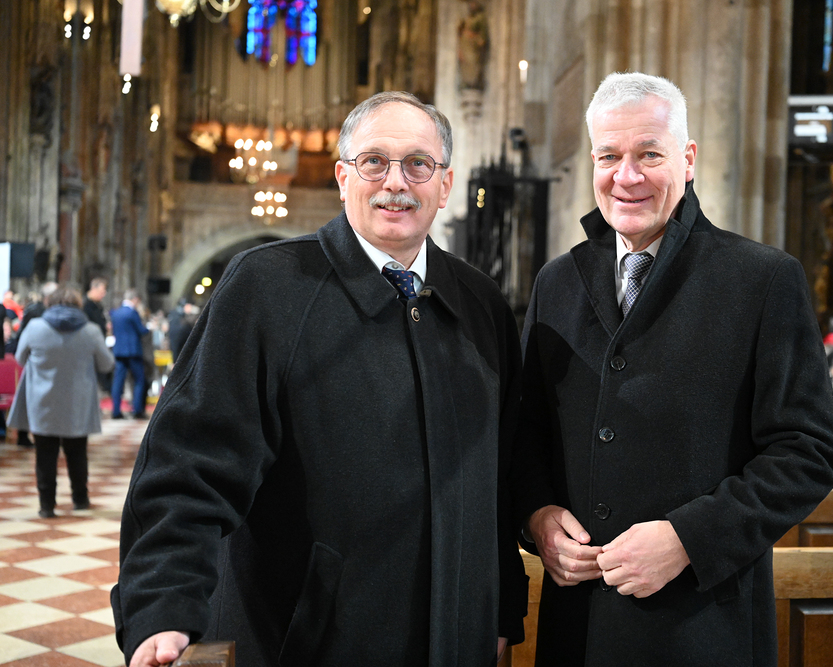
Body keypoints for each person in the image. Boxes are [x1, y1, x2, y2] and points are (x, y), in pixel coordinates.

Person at [112, 91, 526, 667]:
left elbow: (499, 477)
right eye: (374, 161)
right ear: (342, 176)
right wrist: (162, 602)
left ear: (445, 183)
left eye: (418, 164)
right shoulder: (266, 287)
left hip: (455, 639)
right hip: (308, 644)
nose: (396, 182)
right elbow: (191, 460)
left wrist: (499, 607)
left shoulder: (481, 303)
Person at [513, 72, 833, 666]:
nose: (626, 176)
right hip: (578, 629)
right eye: (609, 156)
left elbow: (808, 450)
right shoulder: (557, 282)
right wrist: (536, 516)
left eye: (649, 154)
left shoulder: (761, 280)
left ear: (687, 160)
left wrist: (690, 539)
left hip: (700, 627)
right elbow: (526, 433)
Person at [5, 285, 114, 517]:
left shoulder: (35, 327)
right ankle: (80, 500)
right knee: (77, 453)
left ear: (50, 303)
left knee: (45, 455)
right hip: (78, 402)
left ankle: (46, 506)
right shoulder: (91, 330)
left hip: (43, 401)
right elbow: (107, 364)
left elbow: (20, 358)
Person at [109, 289, 149, 419]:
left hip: (119, 351)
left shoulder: (115, 313)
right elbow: (141, 330)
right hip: (133, 351)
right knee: (139, 380)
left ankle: (116, 411)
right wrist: (149, 327)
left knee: (118, 381)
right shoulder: (132, 312)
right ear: (135, 299)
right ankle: (137, 410)